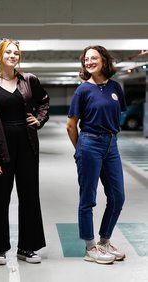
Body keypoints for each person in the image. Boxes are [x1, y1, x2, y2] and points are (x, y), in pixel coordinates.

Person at [0, 38, 49, 265]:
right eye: (7, 52)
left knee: (29, 196)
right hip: (1, 147)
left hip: (27, 145)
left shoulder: (29, 80)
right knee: (0, 198)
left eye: (16, 53)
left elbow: (44, 101)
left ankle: (27, 247)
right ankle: (0, 248)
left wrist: (38, 119)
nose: (12, 56)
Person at [66, 45, 126, 264]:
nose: (89, 62)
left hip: (112, 145)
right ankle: (90, 246)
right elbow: (71, 125)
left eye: (94, 58)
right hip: (89, 143)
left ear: (104, 61)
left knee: (118, 197)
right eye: (86, 59)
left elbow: (116, 114)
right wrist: (80, 149)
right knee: (88, 198)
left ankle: (104, 240)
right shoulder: (82, 90)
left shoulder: (115, 88)